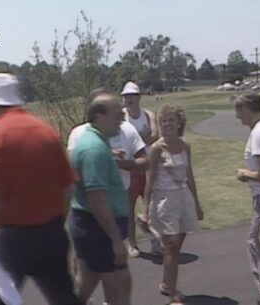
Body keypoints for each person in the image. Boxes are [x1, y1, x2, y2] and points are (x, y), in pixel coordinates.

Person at [0, 73, 82, 305]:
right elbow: (66, 186)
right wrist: (55, 223)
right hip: (51, 232)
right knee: (63, 297)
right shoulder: (46, 131)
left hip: (12, 237)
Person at [67, 88, 149, 258]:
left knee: (101, 272)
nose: (120, 117)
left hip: (120, 195)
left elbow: (145, 161)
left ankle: (131, 243)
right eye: (115, 112)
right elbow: (71, 167)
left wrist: (122, 163)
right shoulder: (79, 134)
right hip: (89, 208)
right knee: (98, 267)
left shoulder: (127, 129)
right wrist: (105, 158)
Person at [68, 92, 132, 305]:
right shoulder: (94, 148)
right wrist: (116, 241)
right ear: (98, 116)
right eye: (117, 114)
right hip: (99, 230)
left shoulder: (96, 142)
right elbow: (97, 199)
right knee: (119, 287)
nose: (122, 118)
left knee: (85, 283)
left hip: (91, 227)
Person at [142, 103, 203, 305]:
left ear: (179, 124)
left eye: (171, 120)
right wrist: (146, 210)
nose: (167, 124)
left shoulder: (185, 146)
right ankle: (172, 292)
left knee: (176, 247)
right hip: (165, 200)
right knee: (171, 245)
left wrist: (196, 203)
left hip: (183, 197)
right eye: (164, 120)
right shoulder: (156, 149)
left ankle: (167, 283)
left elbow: (190, 176)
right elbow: (149, 181)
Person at [233, 91, 260, 305]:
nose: (237, 116)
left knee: (257, 246)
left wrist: (245, 174)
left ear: (247, 108)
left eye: (238, 111)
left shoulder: (258, 134)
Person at [120, 81, 162, 255]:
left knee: (151, 205)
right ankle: (132, 243)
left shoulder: (148, 114)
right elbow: (123, 139)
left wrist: (136, 139)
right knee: (129, 207)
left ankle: (153, 241)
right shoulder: (121, 116)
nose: (128, 99)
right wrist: (141, 137)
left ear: (138, 97)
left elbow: (154, 136)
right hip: (130, 166)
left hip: (148, 166)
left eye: (132, 95)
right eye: (126, 96)